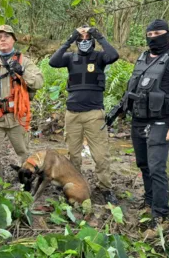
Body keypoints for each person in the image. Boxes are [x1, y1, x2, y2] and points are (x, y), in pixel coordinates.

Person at [123, 19, 169, 237]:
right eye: (150, 33)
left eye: (158, 32)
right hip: (139, 120)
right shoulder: (142, 58)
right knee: (143, 164)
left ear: (168, 34)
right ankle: (150, 201)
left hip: (163, 122)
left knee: (156, 168)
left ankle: (161, 215)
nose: (153, 36)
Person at [49, 25, 119, 205]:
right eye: (81, 39)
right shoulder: (70, 58)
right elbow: (53, 61)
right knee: (74, 156)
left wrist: (98, 34)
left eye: (88, 38)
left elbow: (113, 55)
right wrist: (71, 38)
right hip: (72, 114)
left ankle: (105, 188)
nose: (84, 41)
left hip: (94, 114)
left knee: (101, 156)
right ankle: (74, 186)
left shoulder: (100, 58)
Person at [0, 25, 44, 187]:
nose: (2, 39)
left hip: (18, 116)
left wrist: (22, 72)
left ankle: (27, 177)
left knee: (23, 150)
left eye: (6, 36)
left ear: (13, 40)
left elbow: (39, 82)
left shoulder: (24, 61)